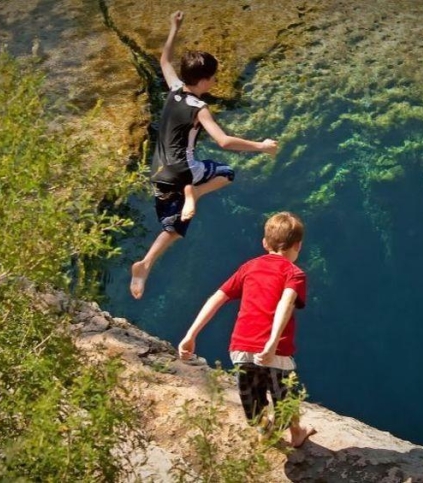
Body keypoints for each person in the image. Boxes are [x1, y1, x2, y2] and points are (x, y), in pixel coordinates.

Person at [130, 11, 279, 300]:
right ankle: (194, 193)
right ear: (202, 81)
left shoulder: (175, 89)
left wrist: (174, 28)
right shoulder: (199, 109)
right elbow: (223, 141)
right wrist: (261, 146)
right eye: (212, 78)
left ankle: (145, 264)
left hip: (159, 172)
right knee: (227, 174)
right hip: (185, 170)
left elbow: (164, 61)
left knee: (174, 226)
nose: (213, 82)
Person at [178, 212, 316, 448]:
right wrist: (272, 342)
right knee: (285, 395)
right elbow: (285, 304)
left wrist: (190, 335)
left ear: (265, 243)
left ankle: (265, 431)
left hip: (241, 347)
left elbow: (217, 298)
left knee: (252, 399)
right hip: (275, 351)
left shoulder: (249, 267)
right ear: (298, 245)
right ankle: (296, 433)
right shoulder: (295, 274)